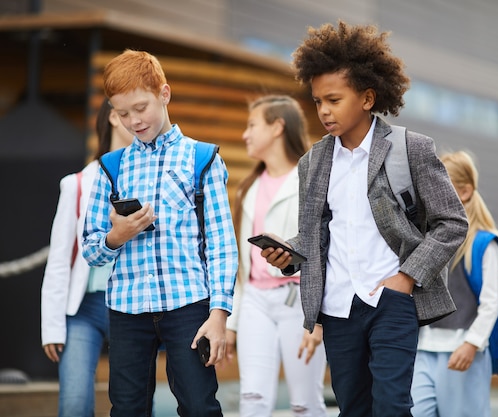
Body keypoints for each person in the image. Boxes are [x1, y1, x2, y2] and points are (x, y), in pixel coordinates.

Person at [261, 20, 468, 417]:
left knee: (391, 407)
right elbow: (316, 236)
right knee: (353, 409)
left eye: (334, 100)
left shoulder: (412, 149)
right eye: (318, 100)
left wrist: (406, 278)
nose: (323, 110)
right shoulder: (313, 163)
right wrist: (289, 253)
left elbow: (452, 223)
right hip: (338, 307)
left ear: (368, 98)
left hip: (392, 301)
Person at [82, 49, 238, 417]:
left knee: (199, 406)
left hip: (189, 305)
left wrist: (219, 314)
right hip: (126, 307)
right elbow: (91, 248)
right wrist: (115, 237)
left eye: (140, 107)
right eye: (122, 113)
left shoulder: (203, 158)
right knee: (127, 408)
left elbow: (220, 244)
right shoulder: (110, 167)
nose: (133, 120)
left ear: (164, 94)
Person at [224, 95, 327, 417]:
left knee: (304, 403)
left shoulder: (312, 180)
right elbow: (243, 266)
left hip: (300, 302)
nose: (245, 134)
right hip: (255, 301)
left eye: (252, 125)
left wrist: (318, 318)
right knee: (251, 400)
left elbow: (324, 250)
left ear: (278, 127)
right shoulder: (247, 188)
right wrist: (231, 323)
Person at [41, 98, 134, 417]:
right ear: (112, 116)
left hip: (133, 304)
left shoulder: (153, 177)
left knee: (135, 404)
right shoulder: (77, 184)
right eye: (127, 112)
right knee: (75, 404)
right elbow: (59, 259)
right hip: (83, 309)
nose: (138, 120)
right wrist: (51, 325)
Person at [410, 150, 498, 417]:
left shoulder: (484, 244)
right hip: (423, 349)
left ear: (465, 192)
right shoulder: (427, 238)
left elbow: (490, 303)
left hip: (462, 350)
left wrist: (472, 344)